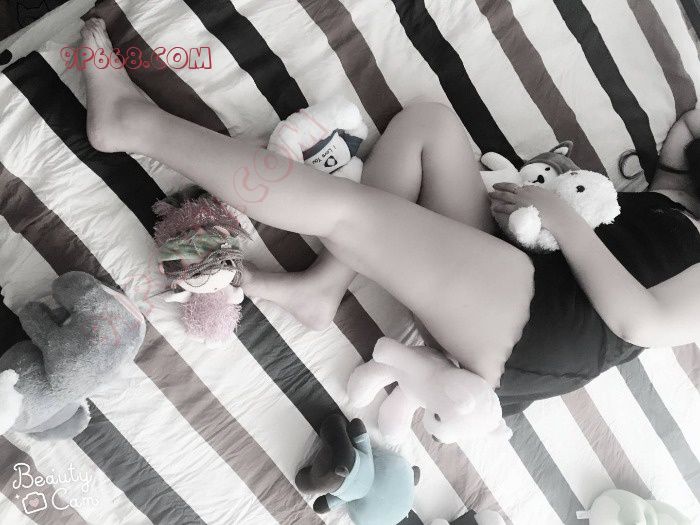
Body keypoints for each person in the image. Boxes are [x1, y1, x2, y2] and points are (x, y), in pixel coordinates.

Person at [80, 19, 700, 412]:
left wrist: (561, 218)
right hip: (527, 269)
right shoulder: (679, 197)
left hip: (541, 324)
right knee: (429, 127)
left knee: (350, 212)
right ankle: (324, 287)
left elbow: (640, 321)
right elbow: (681, 152)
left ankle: (132, 126)